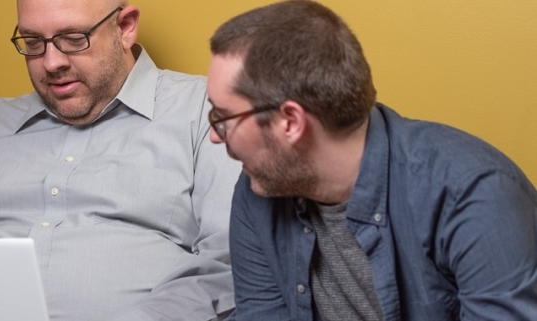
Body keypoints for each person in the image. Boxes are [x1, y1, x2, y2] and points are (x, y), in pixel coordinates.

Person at [0, 0, 241, 320]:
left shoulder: (206, 113)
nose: (52, 62)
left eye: (73, 38)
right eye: (34, 43)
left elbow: (229, 262)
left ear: (125, 26)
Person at [206, 0, 537, 320]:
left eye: (222, 117)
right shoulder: (260, 192)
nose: (214, 135)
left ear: (290, 122)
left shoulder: (474, 196)